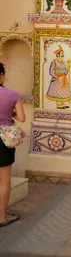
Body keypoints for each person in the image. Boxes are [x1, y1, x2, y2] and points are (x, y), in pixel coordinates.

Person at [0, 62, 26, 227]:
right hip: (3, 141)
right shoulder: (12, 95)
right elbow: (22, 118)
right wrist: (12, 112)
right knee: (4, 180)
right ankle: (2, 216)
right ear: (2, 75)